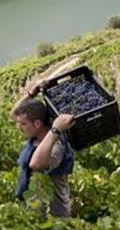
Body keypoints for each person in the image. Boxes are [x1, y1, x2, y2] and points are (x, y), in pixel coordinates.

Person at [11, 86, 75, 218]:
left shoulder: (56, 146)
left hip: (54, 218)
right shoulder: (36, 136)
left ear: (38, 124)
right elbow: (14, 114)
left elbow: (36, 164)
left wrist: (56, 130)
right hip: (34, 212)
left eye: (23, 124)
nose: (19, 127)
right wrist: (31, 93)